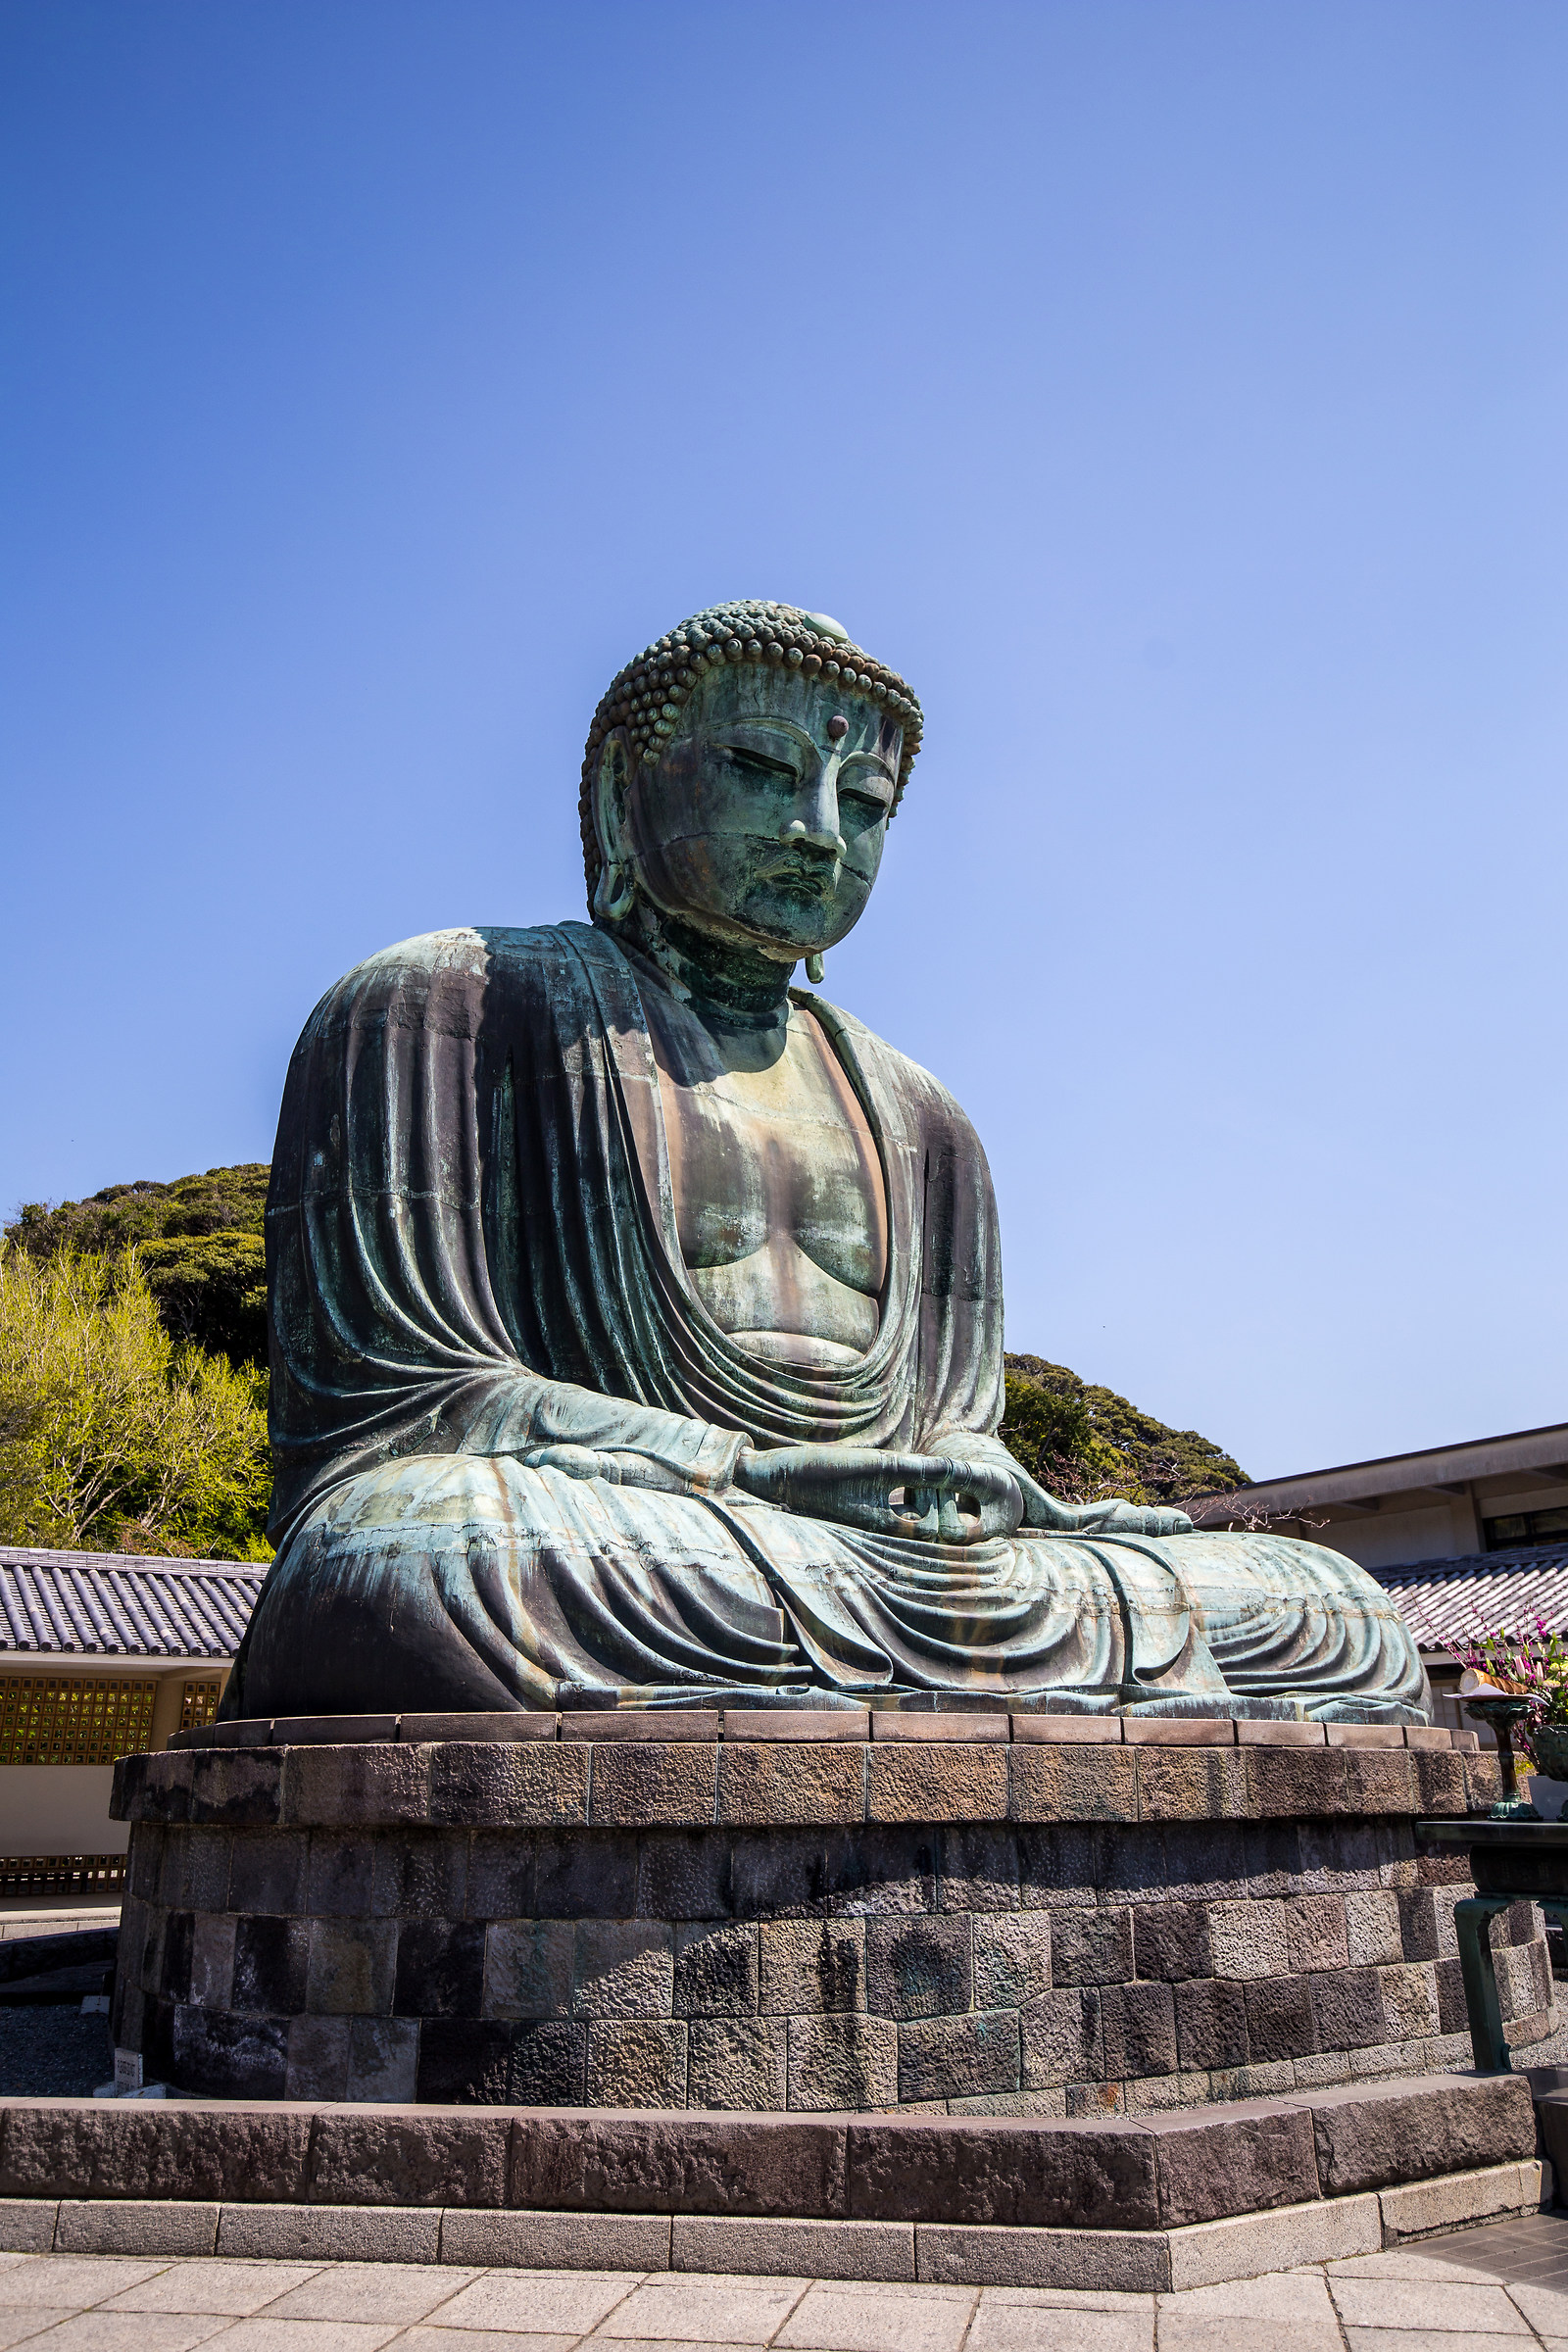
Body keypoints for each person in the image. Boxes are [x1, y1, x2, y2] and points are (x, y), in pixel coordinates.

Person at [222, 601, 1428, 1721]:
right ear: (615, 794)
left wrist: (983, 1486)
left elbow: (951, 1424)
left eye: (866, 803)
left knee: (1330, 1608)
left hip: (864, 1558)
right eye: (760, 769)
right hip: (645, 1532)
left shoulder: (924, 1115)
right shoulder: (446, 1005)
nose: (819, 832)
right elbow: (404, 1413)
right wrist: (744, 1467)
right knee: (414, 1557)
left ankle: (970, 1659)